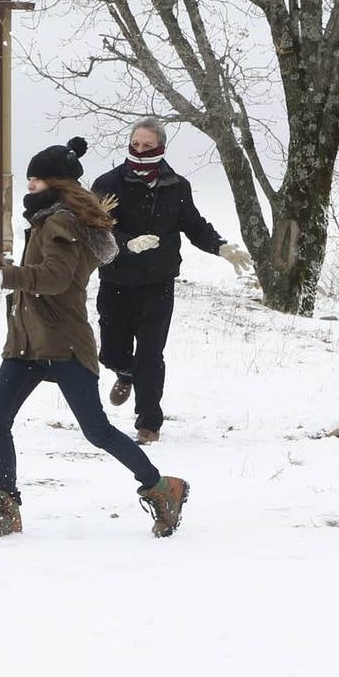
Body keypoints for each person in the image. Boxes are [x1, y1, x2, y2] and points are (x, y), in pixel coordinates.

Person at [0, 138, 189, 540]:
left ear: (53, 183)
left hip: (63, 342)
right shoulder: (47, 219)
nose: (28, 187)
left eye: (33, 181)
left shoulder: (61, 222)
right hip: (28, 342)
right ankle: (6, 506)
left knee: (96, 430)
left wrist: (5, 276)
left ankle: (161, 487)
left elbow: (55, 278)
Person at [92, 117, 252, 443]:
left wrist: (220, 246)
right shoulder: (108, 183)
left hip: (158, 284)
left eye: (147, 146)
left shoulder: (176, 186)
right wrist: (127, 244)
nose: (139, 151)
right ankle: (124, 372)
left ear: (161, 148)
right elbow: (97, 228)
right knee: (110, 352)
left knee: (151, 354)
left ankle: (148, 424)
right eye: (135, 145)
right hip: (117, 281)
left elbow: (193, 225)